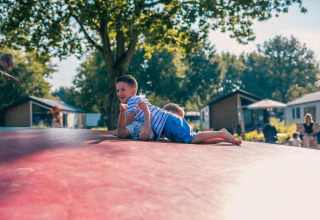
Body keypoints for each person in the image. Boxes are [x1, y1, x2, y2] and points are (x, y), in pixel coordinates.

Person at [116, 75, 242, 145]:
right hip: (167, 126)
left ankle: (221, 133)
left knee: (193, 138)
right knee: (194, 140)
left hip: (168, 122)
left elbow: (129, 119)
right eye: (117, 90)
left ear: (133, 91)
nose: (119, 93)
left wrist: (123, 130)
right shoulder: (136, 99)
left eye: (123, 89)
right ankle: (223, 138)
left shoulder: (132, 100)